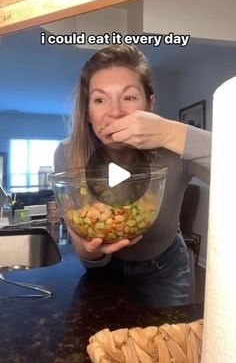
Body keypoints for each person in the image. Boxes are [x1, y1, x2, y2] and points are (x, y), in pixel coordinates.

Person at [54, 44, 211, 308]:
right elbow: (80, 243)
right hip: (103, 272)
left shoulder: (174, 150)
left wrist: (169, 133)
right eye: (100, 99)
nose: (114, 112)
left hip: (166, 270)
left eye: (128, 98)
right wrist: (87, 250)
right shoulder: (68, 155)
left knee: (164, 347)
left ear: (149, 104)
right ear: (89, 112)